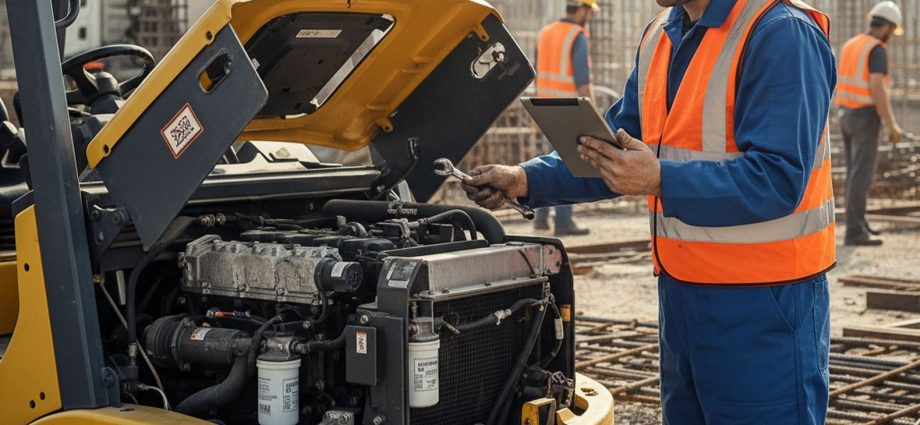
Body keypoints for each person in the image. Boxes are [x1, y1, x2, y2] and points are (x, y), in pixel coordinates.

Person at [464, 0, 836, 423]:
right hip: (682, 296)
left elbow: (778, 179)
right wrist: (525, 179)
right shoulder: (662, 33)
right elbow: (612, 153)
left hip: (765, 304)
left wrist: (661, 179)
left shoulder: (781, 32)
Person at [836, 1, 904, 246]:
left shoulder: (852, 44)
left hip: (845, 114)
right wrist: (891, 124)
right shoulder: (876, 49)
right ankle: (854, 231)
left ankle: (859, 223)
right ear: (887, 26)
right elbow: (878, 89)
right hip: (865, 116)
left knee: (855, 173)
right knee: (860, 175)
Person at [531, 0, 599, 236]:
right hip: (569, 110)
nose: (589, 16)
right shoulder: (577, 35)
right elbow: (582, 81)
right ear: (581, 9)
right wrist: (593, 115)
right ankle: (563, 222)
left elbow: (535, 70)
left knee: (545, 161)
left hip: (543, 106)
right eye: (589, 11)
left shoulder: (545, 33)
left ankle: (540, 218)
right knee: (568, 164)